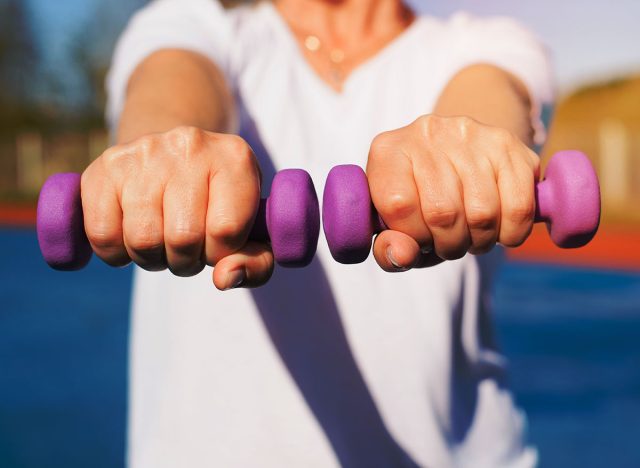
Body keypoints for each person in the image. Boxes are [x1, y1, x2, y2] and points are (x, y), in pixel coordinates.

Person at [86, 0, 553, 466]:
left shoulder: (489, 45)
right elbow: (171, 82)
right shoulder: (194, 23)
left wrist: (468, 145)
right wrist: (167, 145)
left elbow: (489, 93)